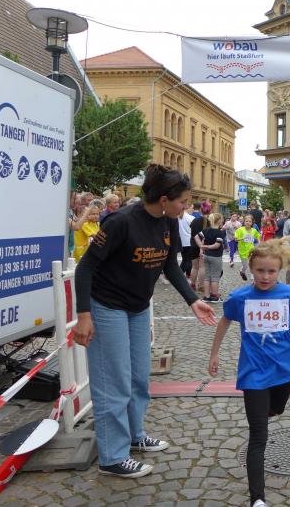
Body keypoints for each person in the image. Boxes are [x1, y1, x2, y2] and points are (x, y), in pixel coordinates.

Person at [73, 164, 216, 478]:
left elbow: (170, 266)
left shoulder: (168, 222)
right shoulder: (121, 221)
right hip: (107, 306)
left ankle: (134, 435)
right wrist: (84, 316)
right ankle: (112, 457)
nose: (186, 208)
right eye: (183, 202)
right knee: (114, 382)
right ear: (164, 199)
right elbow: (85, 269)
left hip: (137, 308)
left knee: (139, 378)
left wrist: (193, 300)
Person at [208, 239, 290, 507]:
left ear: (279, 270)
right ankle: (257, 499)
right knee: (258, 436)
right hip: (253, 375)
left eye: (271, 271)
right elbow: (224, 321)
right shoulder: (240, 297)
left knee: (278, 408)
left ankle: (266, 411)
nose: (265, 276)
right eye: (260, 270)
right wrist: (214, 354)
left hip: (283, 372)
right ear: (251, 268)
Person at [200, 213, 226, 303]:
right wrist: (207, 247)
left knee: (207, 277)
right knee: (215, 277)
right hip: (216, 257)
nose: (223, 221)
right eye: (222, 220)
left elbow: (197, 237)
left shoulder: (206, 230)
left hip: (206, 256)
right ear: (218, 221)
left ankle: (206, 296)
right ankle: (215, 296)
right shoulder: (220, 232)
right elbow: (217, 245)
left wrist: (202, 249)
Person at [235, 215, 261, 281]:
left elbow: (258, 236)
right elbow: (235, 239)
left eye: (250, 221)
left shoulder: (254, 230)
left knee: (252, 263)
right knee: (245, 266)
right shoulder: (240, 230)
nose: (248, 223)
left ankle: (252, 275)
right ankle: (242, 271)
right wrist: (242, 238)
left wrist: (260, 242)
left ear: (252, 223)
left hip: (251, 250)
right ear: (244, 222)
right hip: (242, 251)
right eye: (246, 221)